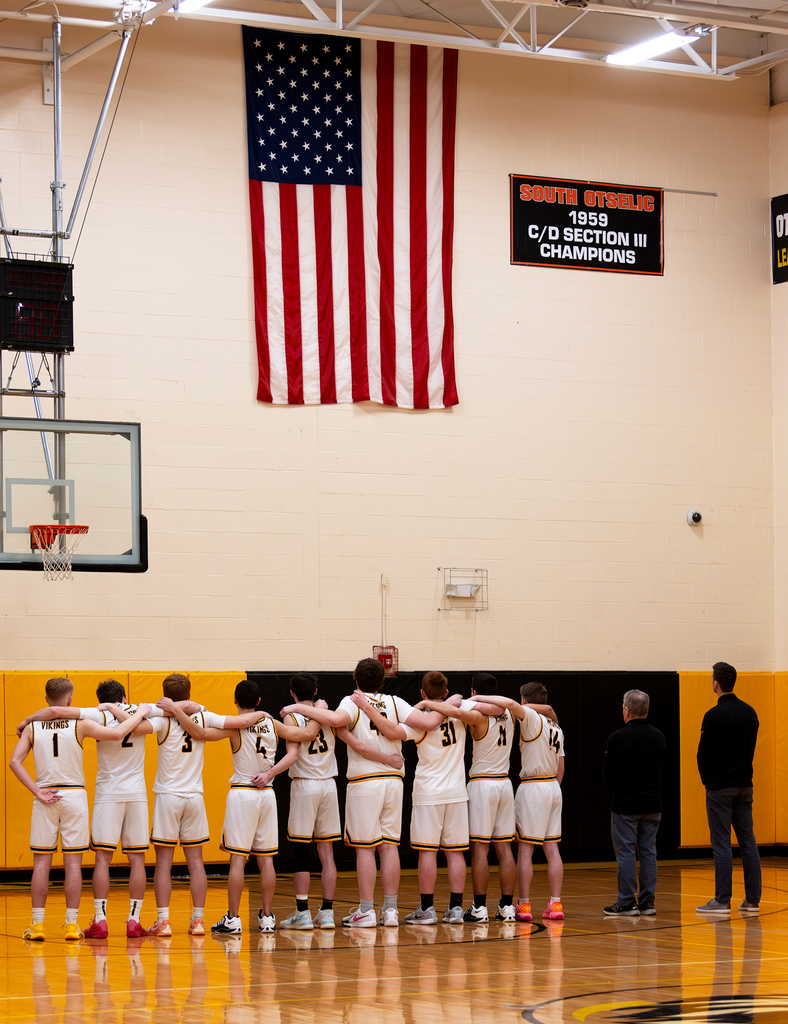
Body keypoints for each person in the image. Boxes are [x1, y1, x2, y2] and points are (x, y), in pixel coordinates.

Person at [281, 656, 443, 928]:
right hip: (394, 780)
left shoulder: (352, 700)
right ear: (383, 679)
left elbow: (334, 719)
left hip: (366, 782)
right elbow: (427, 724)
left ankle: (367, 910)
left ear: (356, 680)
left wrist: (300, 708)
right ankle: (390, 910)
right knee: (390, 846)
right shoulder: (395, 701)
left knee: (366, 849)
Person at [160, 678, 320, 934]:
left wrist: (177, 710)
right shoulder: (271, 722)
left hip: (243, 793)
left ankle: (233, 918)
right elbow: (307, 735)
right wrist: (318, 712)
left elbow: (198, 733)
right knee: (266, 860)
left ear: (235, 701)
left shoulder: (234, 728)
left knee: (238, 859)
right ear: (258, 701)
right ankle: (267, 917)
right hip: (267, 792)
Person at [8, 676, 152, 941]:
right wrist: (140, 712)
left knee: (41, 864)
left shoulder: (34, 728)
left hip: (46, 795)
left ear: (45, 699)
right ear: (70, 699)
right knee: (73, 863)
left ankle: (38, 925)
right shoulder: (80, 723)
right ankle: (72, 925)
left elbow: (14, 762)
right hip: (76, 795)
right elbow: (120, 732)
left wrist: (37, 791)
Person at [404, 672, 515, 924]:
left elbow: (399, 728)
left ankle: (446, 907)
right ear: (446, 692)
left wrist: (425, 705)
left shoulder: (452, 714)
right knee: (476, 851)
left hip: (453, 788)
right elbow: (498, 707)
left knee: (439, 852)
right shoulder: (499, 713)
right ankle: (473, 907)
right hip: (483, 786)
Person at [253, 673, 342, 931]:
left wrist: (269, 773)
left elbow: (293, 755)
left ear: (292, 693)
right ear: (315, 691)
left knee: (303, 851)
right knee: (327, 853)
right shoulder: (327, 712)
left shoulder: (291, 717)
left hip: (305, 784)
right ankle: (326, 912)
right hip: (329, 785)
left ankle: (303, 912)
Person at [477, 682, 565, 922]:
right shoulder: (556, 725)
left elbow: (509, 704)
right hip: (554, 787)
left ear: (525, 701)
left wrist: (476, 697)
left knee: (526, 849)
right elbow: (561, 767)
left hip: (534, 786)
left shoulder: (532, 718)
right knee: (552, 849)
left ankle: (524, 904)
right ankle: (555, 904)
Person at [696, 661, 761, 914]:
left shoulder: (713, 715)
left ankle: (722, 900)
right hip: (745, 785)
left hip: (720, 788)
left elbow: (703, 754)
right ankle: (752, 900)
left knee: (721, 842)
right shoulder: (750, 712)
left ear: (715, 682)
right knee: (748, 841)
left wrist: (708, 781)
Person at [601, 689, 666, 916]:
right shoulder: (658, 736)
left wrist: (617, 793)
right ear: (646, 710)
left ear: (626, 710)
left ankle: (627, 902)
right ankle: (648, 902)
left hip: (625, 805)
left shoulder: (617, 737)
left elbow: (607, 774)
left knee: (626, 852)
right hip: (652, 804)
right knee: (648, 852)